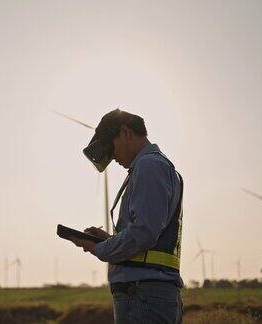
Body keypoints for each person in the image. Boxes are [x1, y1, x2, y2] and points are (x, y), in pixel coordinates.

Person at [68, 109, 184, 324]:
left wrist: (100, 248)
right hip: (148, 294)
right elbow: (147, 236)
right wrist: (109, 239)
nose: (113, 158)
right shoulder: (154, 166)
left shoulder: (149, 166)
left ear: (125, 132)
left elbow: (143, 233)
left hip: (143, 295)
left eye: (111, 150)